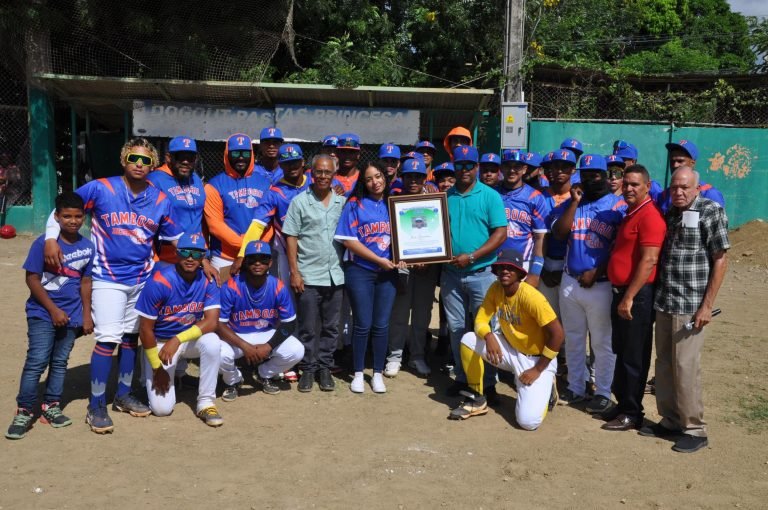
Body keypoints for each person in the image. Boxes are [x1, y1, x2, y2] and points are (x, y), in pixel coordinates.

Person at [43, 138, 181, 433]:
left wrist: (201, 257)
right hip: (107, 278)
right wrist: (51, 238)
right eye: (134, 158)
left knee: (131, 338)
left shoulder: (160, 200)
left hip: (141, 277)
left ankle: (123, 394)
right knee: (108, 339)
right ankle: (96, 405)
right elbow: (63, 208)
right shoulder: (100, 188)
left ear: (153, 165)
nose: (139, 165)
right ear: (123, 159)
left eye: (146, 161)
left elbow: (176, 239)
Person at [640, 167, 729, 453]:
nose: (678, 192)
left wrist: (707, 306)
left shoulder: (710, 211)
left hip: (690, 307)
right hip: (666, 301)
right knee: (664, 364)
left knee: (685, 367)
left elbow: (720, 259)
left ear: (696, 188)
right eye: (675, 187)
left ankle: (695, 429)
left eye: (685, 188)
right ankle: (670, 420)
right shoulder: (671, 212)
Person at [6, 192, 94, 440]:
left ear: (84, 218)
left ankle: (51, 406)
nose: (73, 221)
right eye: (66, 216)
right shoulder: (42, 244)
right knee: (37, 361)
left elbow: (86, 282)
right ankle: (24, 409)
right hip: (42, 314)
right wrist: (53, 310)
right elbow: (31, 279)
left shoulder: (88, 247)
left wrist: (87, 315)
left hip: (72, 315)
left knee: (60, 362)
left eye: (78, 216)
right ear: (57, 217)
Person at [449, 249, 564, 430]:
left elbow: (558, 334)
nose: (505, 271)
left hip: (537, 360)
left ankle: (547, 386)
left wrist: (537, 369)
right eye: (501, 267)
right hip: (511, 350)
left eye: (510, 268)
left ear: (520, 273)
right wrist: (488, 336)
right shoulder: (496, 288)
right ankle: (477, 398)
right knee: (469, 339)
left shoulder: (531, 297)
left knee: (528, 423)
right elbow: (480, 319)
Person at [551, 154, 626, 413]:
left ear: (606, 176)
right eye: (584, 174)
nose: (589, 179)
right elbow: (559, 233)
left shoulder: (618, 206)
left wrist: (598, 271)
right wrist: (573, 203)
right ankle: (576, 386)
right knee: (573, 338)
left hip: (602, 285)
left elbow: (621, 248)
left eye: (594, 174)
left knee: (602, 342)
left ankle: (603, 391)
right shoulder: (575, 203)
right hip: (570, 280)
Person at [135, 233, 224, 427]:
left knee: (212, 342)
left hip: (181, 339)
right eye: (185, 252)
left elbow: (212, 322)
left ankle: (206, 402)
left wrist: (177, 340)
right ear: (176, 253)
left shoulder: (208, 280)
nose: (190, 257)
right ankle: (150, 368)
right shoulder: (160, 281)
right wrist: (157, 368)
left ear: (204, 257)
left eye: (196, 253)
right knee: (162, 410)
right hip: (159, 341)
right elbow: (145, 329)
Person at [441, 145, 507, 401]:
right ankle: (463, 377)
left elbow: (500, 234)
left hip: (482, 274)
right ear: (454, 167)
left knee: (485, 329)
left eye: (470, 165)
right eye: (460, 165)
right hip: (451, 275)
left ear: (477, 167)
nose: (465, 170)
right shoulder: (446, 197)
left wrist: (471, 256)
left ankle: (488, 383)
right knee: (457, 329)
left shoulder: (490, 196)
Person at [603, 165, 666, 431]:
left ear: (647, 186)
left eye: (635, 185)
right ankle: (622, 404)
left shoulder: (649, 216)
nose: (628, 188)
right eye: (626, 183)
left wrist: (629, 297)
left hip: (636, 296)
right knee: (621, 350)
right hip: (622, 293)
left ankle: (632, 412)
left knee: (634, 356)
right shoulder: (631, 213)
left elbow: (649, 260)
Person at [334, 161, 402, 393]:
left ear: (386, 177)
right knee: (362, 324)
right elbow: (348, 240)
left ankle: (378, 373)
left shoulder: (395, 203)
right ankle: (358, 372)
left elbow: (407, 239)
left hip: (388, 273)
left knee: (381, 325)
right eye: (370, 178)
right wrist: (378, 259)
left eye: (379, 176)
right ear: (363, 182)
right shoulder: (355, 204)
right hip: (360, 270)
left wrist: (404, 258)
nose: (376, 182)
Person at [283, 154, 346, 392]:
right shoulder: (299, 202)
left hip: (335, 275)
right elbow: (291, 237)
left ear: (333, 175)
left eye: (327, 172)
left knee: (331, 327)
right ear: (311, 172)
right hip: (308, 274)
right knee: (307, 327)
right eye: (318, 172)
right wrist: (294, 272)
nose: (322, 176)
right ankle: (307, 369)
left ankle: (325, 368)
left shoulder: (342, 203)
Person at [217, 241, 304, 398]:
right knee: (216, 352)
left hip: (266, 333)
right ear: (245, 262)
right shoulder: (231, 286)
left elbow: (289, 323)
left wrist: (269, 346)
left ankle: (263, 373)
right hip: (237, 334)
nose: (258, 263)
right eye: (252, 259)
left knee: (297, 350)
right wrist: (245, 347)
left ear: (270, 263)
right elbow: (219, 325)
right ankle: (233, 380)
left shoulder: (277, 286)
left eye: (263, 259)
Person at [385, 158, 441, 378]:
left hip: (428, 267)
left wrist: (429, 259)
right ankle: (395, 356)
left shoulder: (434, 203)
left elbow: (438, 235)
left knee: (421, 314)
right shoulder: (394, 201)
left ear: (424, 178)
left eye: (418, 176)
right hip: (402, 265)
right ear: (403, 177)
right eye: (409, 176)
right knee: (399, 313)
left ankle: (417, 356)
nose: (413, 181)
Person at [204, 133, 271, 281]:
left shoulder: (265, 184)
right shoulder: (214, 185)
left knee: (255, 301)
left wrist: (254, 248)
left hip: (257, 258)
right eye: (235, 153)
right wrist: (246, 247)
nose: (241, 157)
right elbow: (215, 226)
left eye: (245, 153)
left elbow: (269, 223)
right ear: (227, 154)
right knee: (223, 301)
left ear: (252, 155)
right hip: (224, 256)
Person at [539, 149, 578, 377]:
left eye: (565, 167)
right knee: (548, 318)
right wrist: (541, 266)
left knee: (571, 322)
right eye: (555, 167)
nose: (559, 171)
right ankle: (549, 366)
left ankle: (567, 367)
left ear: (573, 170)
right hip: (545, 263)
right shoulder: (539, 196)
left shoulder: (579, 197)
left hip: (569, 266)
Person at [496, 150, 549, 288]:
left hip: (523, 263)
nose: (512, 170)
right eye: (508, 166)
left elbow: (540, 238)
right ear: (501, 168)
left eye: (517, 166)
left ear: (524, 169)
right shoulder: (492, 194)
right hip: (494, 263)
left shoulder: (535, 197)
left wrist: (535, 273)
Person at [656, 140, 725, 213]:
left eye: (680, 161)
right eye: (672, 161)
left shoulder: (709, 193)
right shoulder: (666, 194)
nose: (675, 165)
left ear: (692, 163)